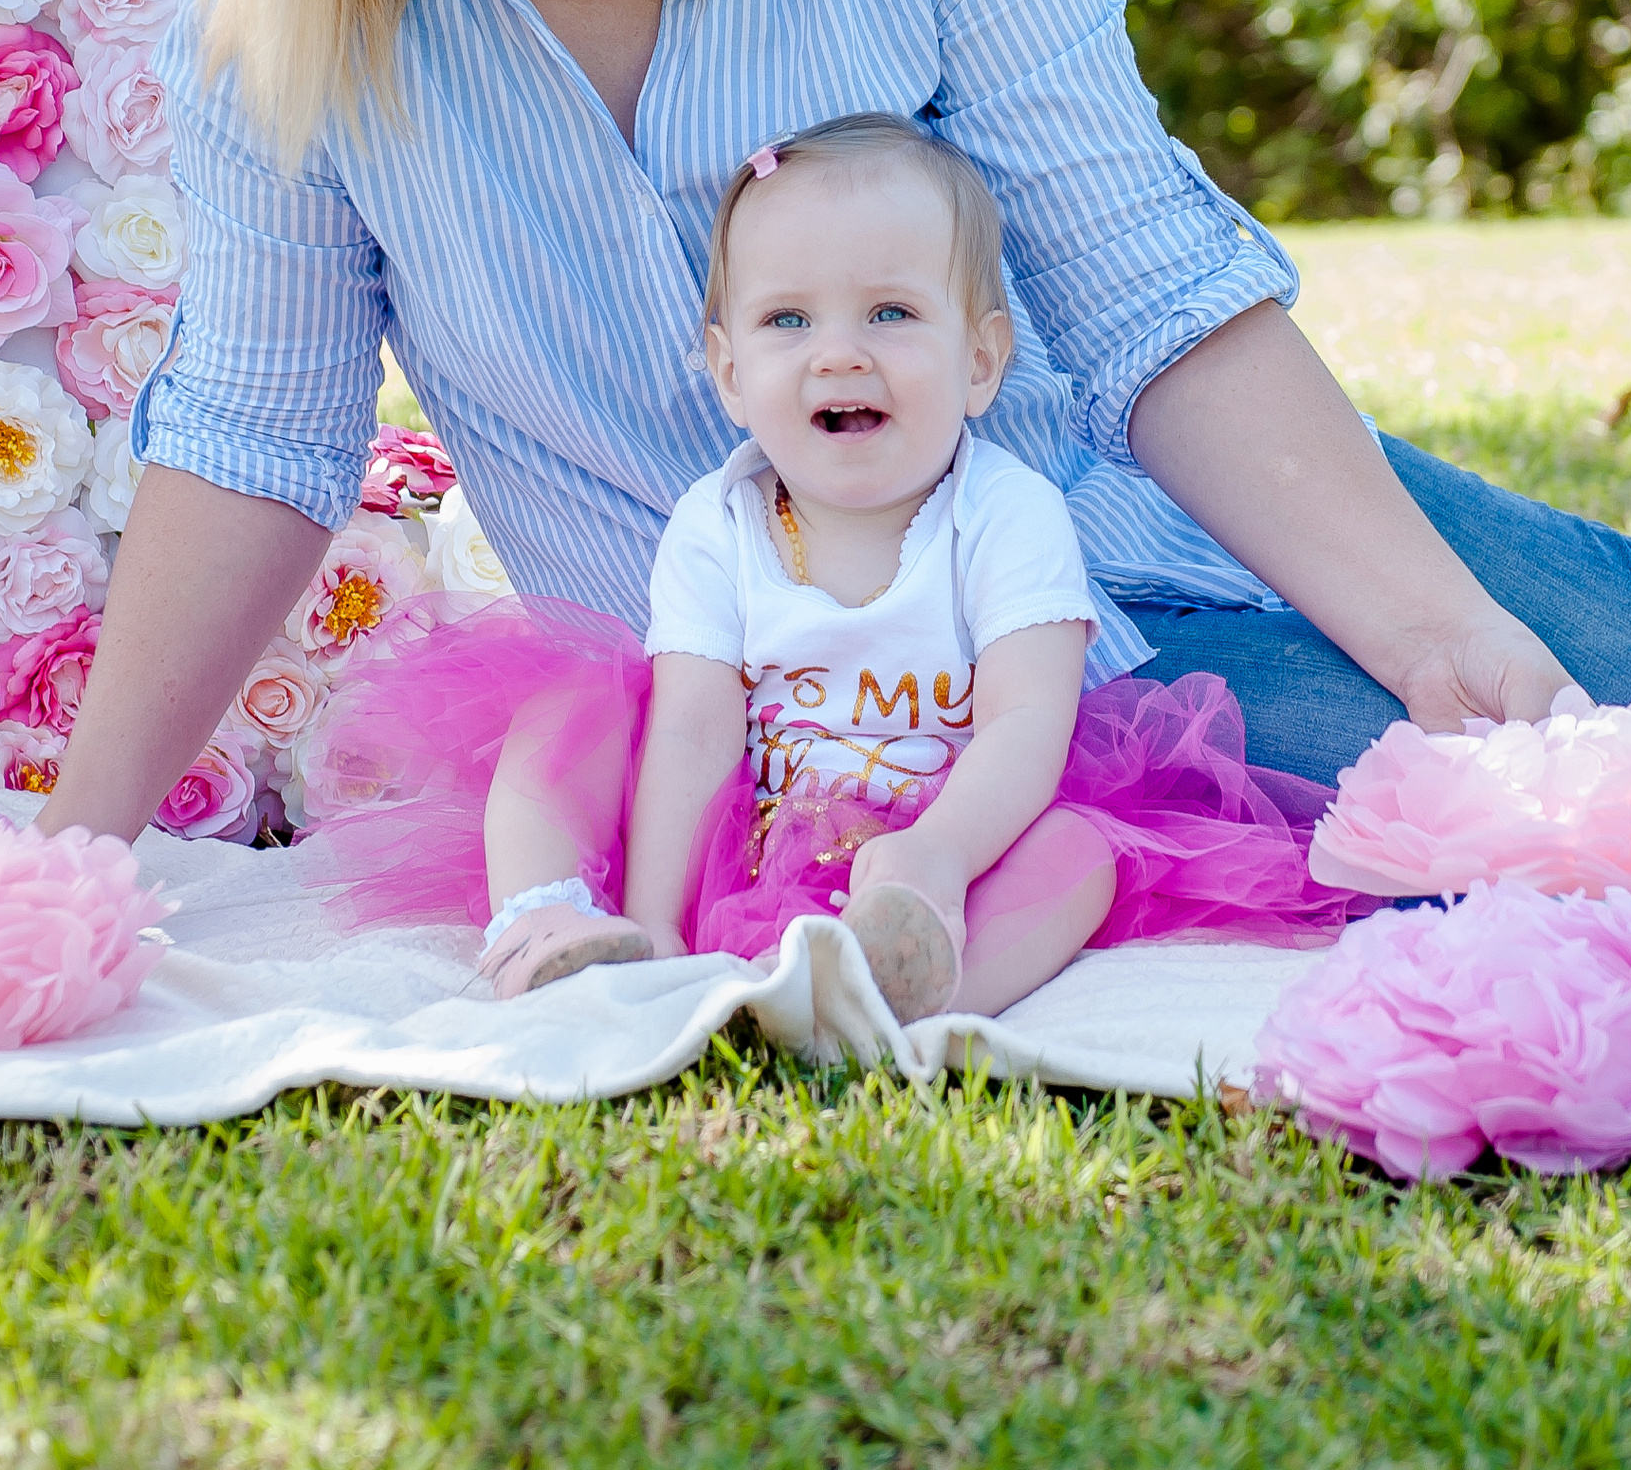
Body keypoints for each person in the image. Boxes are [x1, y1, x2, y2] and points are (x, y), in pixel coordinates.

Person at [37, 0, 1631, 852]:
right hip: (798, 703)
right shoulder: (292, 20)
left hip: (1106, 497)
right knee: (1510, 834)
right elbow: (261, 437)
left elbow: (1149, 286)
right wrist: (83, 841)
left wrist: (1444, 639)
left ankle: (1347, 545)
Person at [301, 117, 1365, 1017]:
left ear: (981, 359)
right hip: (742, 829)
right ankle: (555, 926)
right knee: (561, 722)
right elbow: (693, 727)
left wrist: (937, 854)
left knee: (1083, 852)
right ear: (727, 372)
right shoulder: (716, 523)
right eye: (787, 320)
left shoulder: (1003, 512)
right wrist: (668, 914)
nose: (839, 352)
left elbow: (1027, 724)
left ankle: (907, 986)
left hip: (949, 841)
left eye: (891, 313)